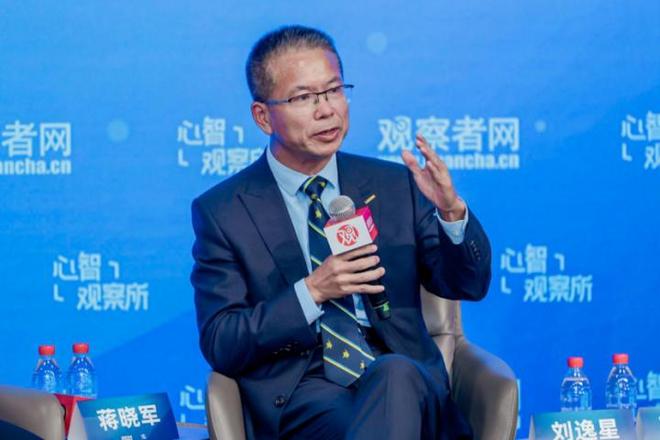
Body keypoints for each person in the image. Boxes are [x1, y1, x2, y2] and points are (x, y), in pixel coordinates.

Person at [191, 25, 491, 440]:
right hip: (305, 394)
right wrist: (312, 291)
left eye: (334, 90)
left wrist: (451, 212)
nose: (327, 110)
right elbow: (222, 341)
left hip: (407, 381)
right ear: (262, 116)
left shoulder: (394, 186)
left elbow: (466, 284)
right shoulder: (225, 211)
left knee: (394, 375)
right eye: (303, 98)